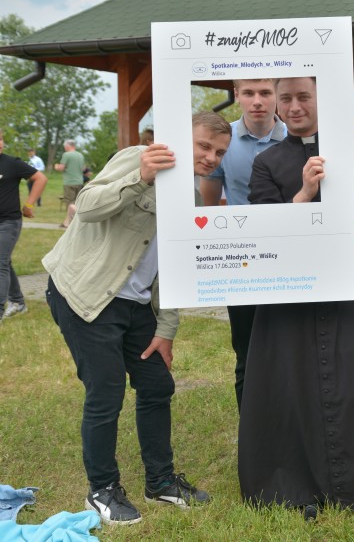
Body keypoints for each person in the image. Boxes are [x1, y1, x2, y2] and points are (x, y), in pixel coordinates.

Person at [238, 76, 354, 520]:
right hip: (287, 288)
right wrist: (303, 193)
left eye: (304, 97)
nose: (295, 106)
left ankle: (349, 474)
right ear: (278, 106)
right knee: (294, 379)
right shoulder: (267, 161)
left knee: (345, 374)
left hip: (344, 280)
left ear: (321, 99)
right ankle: (295, 482)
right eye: (287, 99)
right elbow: (262, 229)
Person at [42, 112, 230, 525]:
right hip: (85, 295)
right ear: (182, 138)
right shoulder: (138, 157)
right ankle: (102, 490)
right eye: (203, 146)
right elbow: (87, 207)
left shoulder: (194, 199)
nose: (211, 157)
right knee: (106, 391)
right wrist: (142, 178)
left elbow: (174, 270)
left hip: (135, 304)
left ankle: (160, 482)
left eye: (219, 152)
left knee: (157, 385)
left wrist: (165, 330)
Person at [199, 78, 286, 411]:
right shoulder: (223, 141)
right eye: (249, 93)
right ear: (237, 96)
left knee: (288, 348)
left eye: (265, 93)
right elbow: (207, 208)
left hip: (289, 257)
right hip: (242, 259)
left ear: (276, 96)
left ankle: (288, 425)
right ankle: (250, 427)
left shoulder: (296, 138)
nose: (257, 101)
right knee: (246, 349)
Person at [0, 132, 47, 320]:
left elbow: (40, 178)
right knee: (4, 261)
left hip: (8, 222)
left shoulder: (11, 163)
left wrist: (28, 205)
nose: (0, 143)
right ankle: (18, 302)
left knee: (0, 262)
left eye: (1, 139)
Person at [54, 140, 84, 228]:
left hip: (69, 182)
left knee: (70, 202)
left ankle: (70, 222)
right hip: (80, 181)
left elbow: (61, 167)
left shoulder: (66, 155)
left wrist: (56, 166)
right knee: (77, 202)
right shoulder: (80, 155)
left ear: (67, 146)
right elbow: (82, 169)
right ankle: (69, 221)